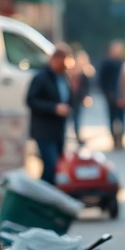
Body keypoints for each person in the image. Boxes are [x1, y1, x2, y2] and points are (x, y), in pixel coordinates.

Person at [26, 43, 73, 185]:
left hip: (58, 130)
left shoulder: (64, 78)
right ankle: (40, 195)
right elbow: (31, 100)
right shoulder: (41, 78)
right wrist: (54, 108)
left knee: (57, 168)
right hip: (44, 130)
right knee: (50, 165)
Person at [98, 40, 125, 149]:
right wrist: (107, 94)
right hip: (110, 96)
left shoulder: (123, 63)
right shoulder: (106, 63)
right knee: (112, 119)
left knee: (121, 119)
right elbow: (101, 80)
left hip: (121, 96)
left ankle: (121, 140)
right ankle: (114, 140)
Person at [69, 49, 94, 143]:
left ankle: (77, 135)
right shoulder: (68, 72)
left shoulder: (83, 74)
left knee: (77, 118)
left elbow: (85, 87)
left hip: (77, 98)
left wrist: (85, 96)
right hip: (69, 98)